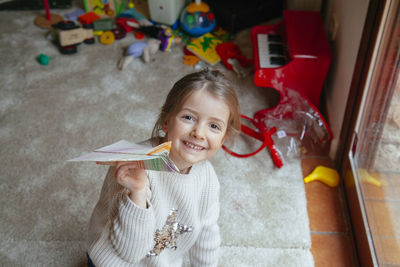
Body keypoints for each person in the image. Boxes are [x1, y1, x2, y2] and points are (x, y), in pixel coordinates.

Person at [86, 69, 241, 266]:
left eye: (214, 126)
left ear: (224, 137)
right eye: (188, 117)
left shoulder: (207, 178)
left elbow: (206, 235)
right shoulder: (135, 167)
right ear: (166, 121)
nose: (199, 133)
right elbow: (129, 253)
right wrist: (138, 193)